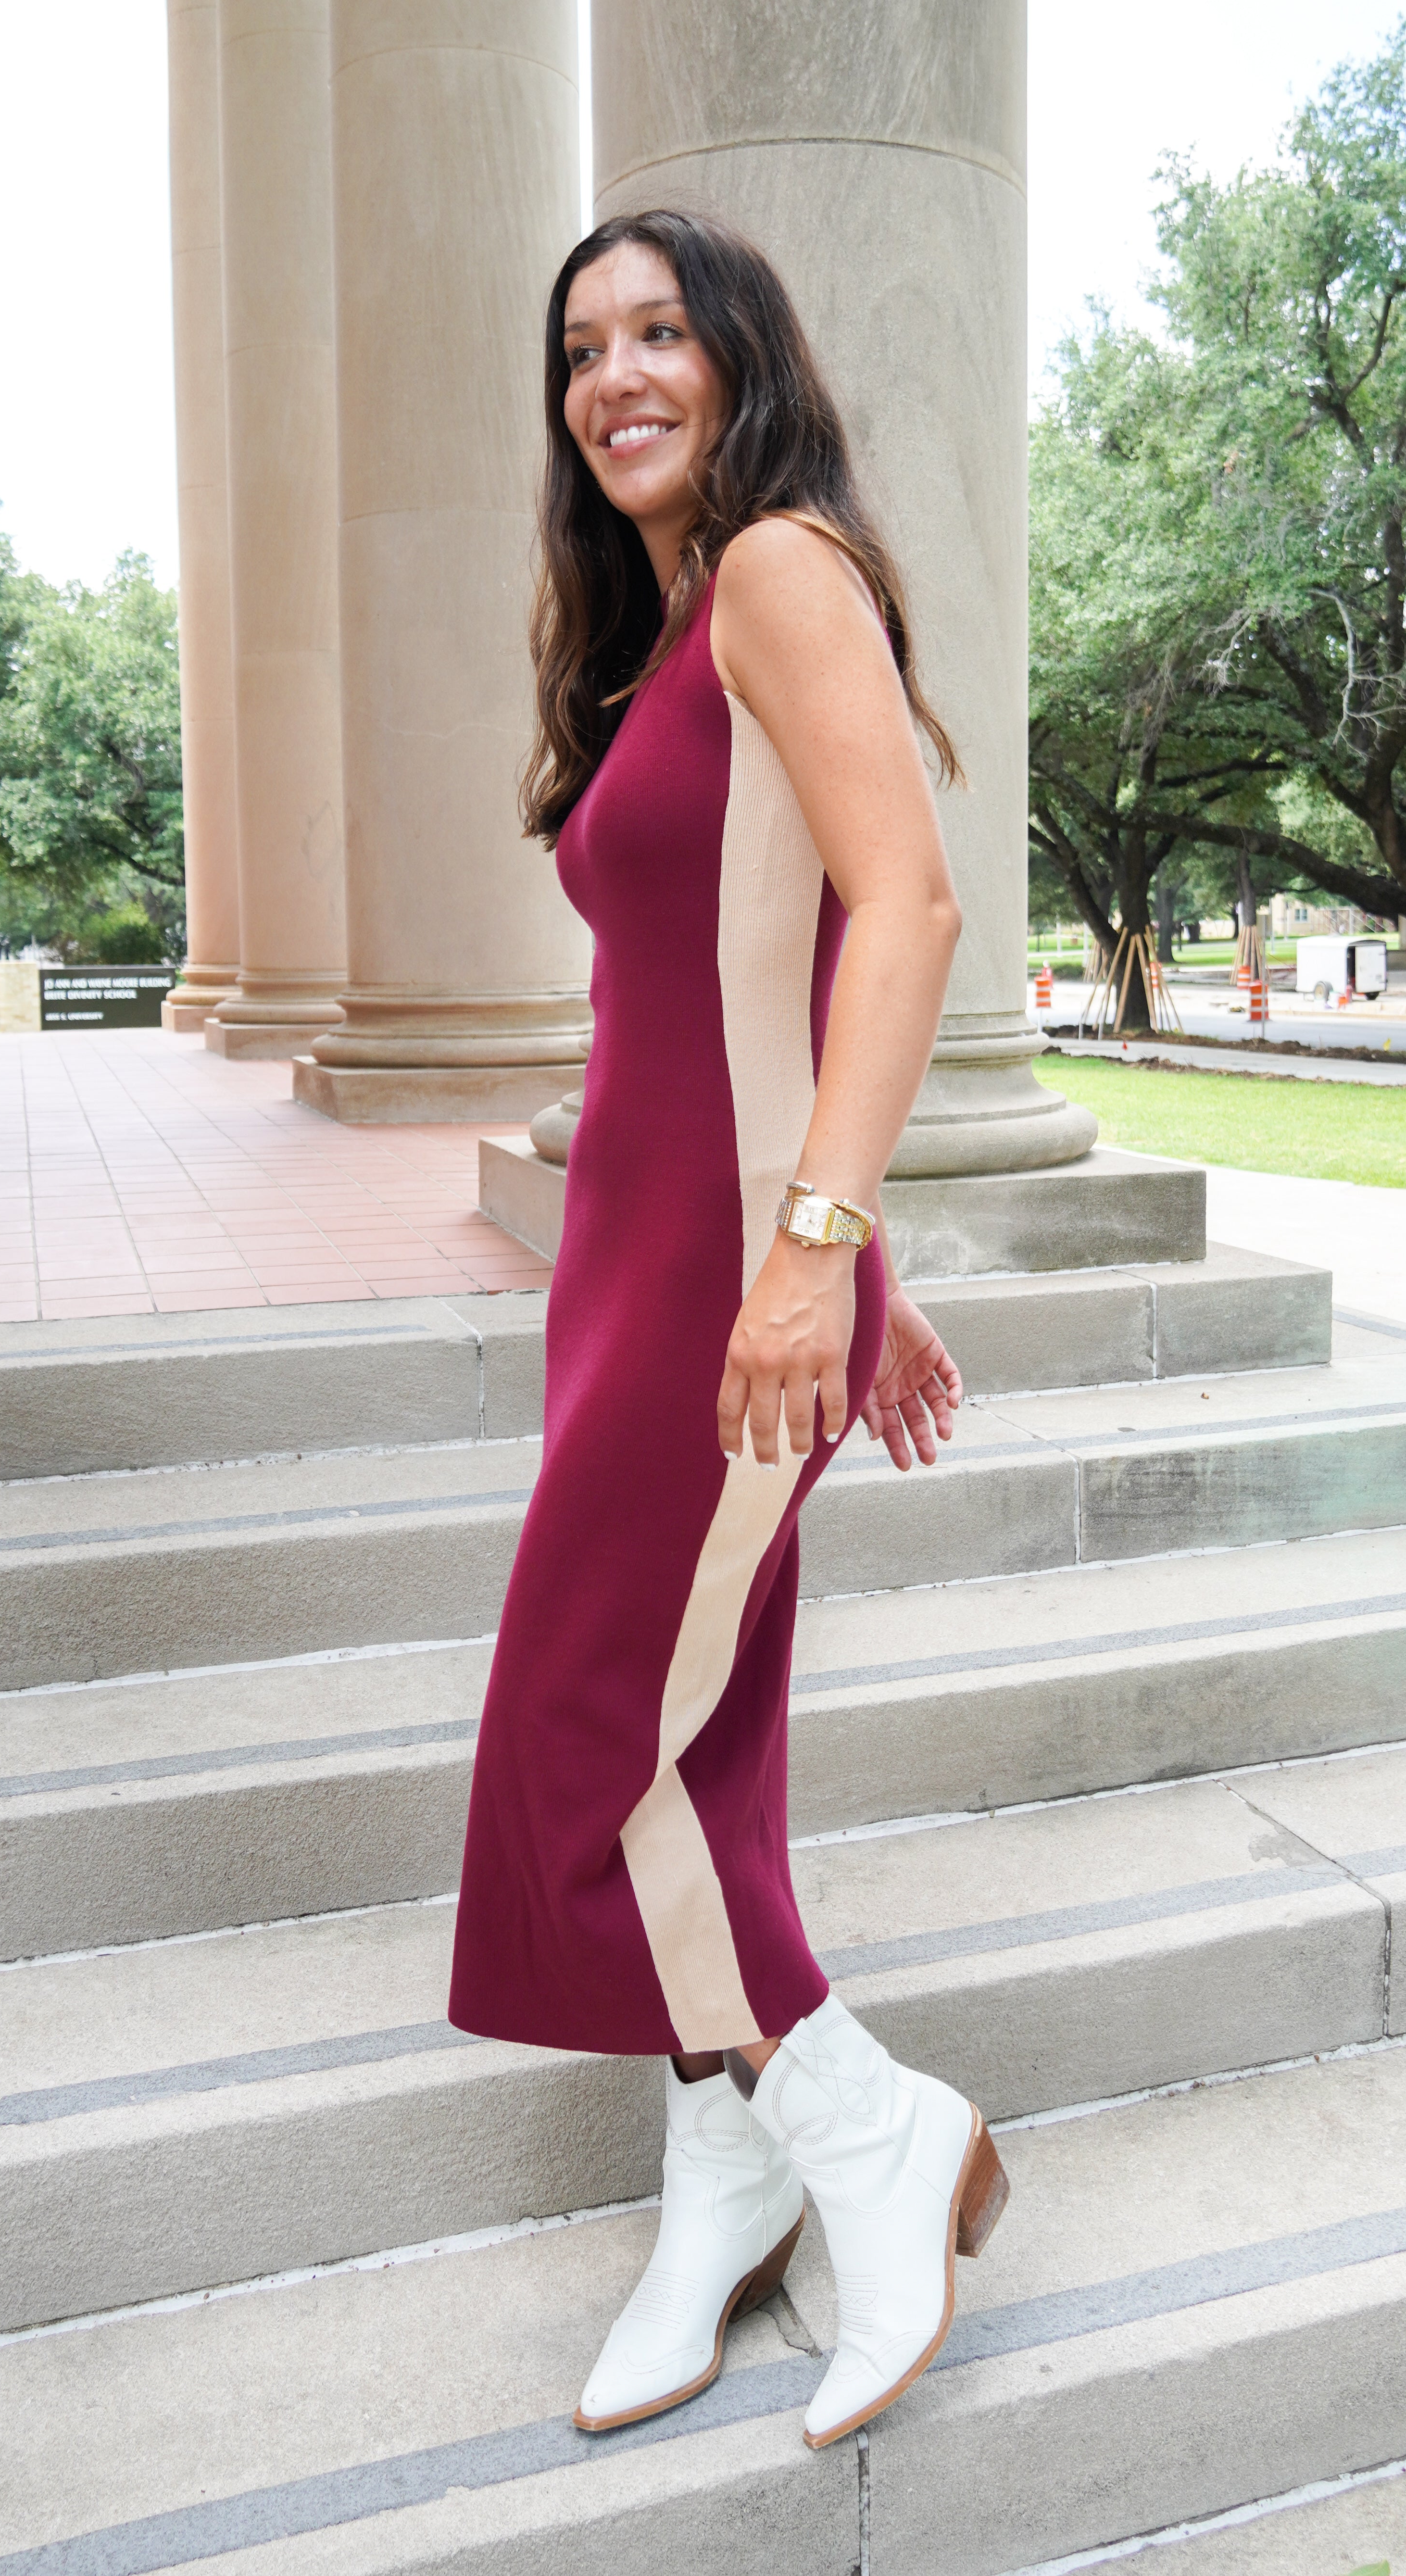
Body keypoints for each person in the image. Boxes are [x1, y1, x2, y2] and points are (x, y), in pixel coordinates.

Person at [448, 209, 1009, 2452]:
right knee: (694, 1746)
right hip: (651, 1261)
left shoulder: (779, 568)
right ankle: (726, 2178)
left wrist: (815, 1257)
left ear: (743, 355)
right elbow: (763, 982)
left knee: (587, 1741)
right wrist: (878, 1271)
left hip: (724, 1280)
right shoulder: (666, 630)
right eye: (581, 347)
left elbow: (912, 910)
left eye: (661, 331)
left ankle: (868, 2129)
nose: (615, 377)